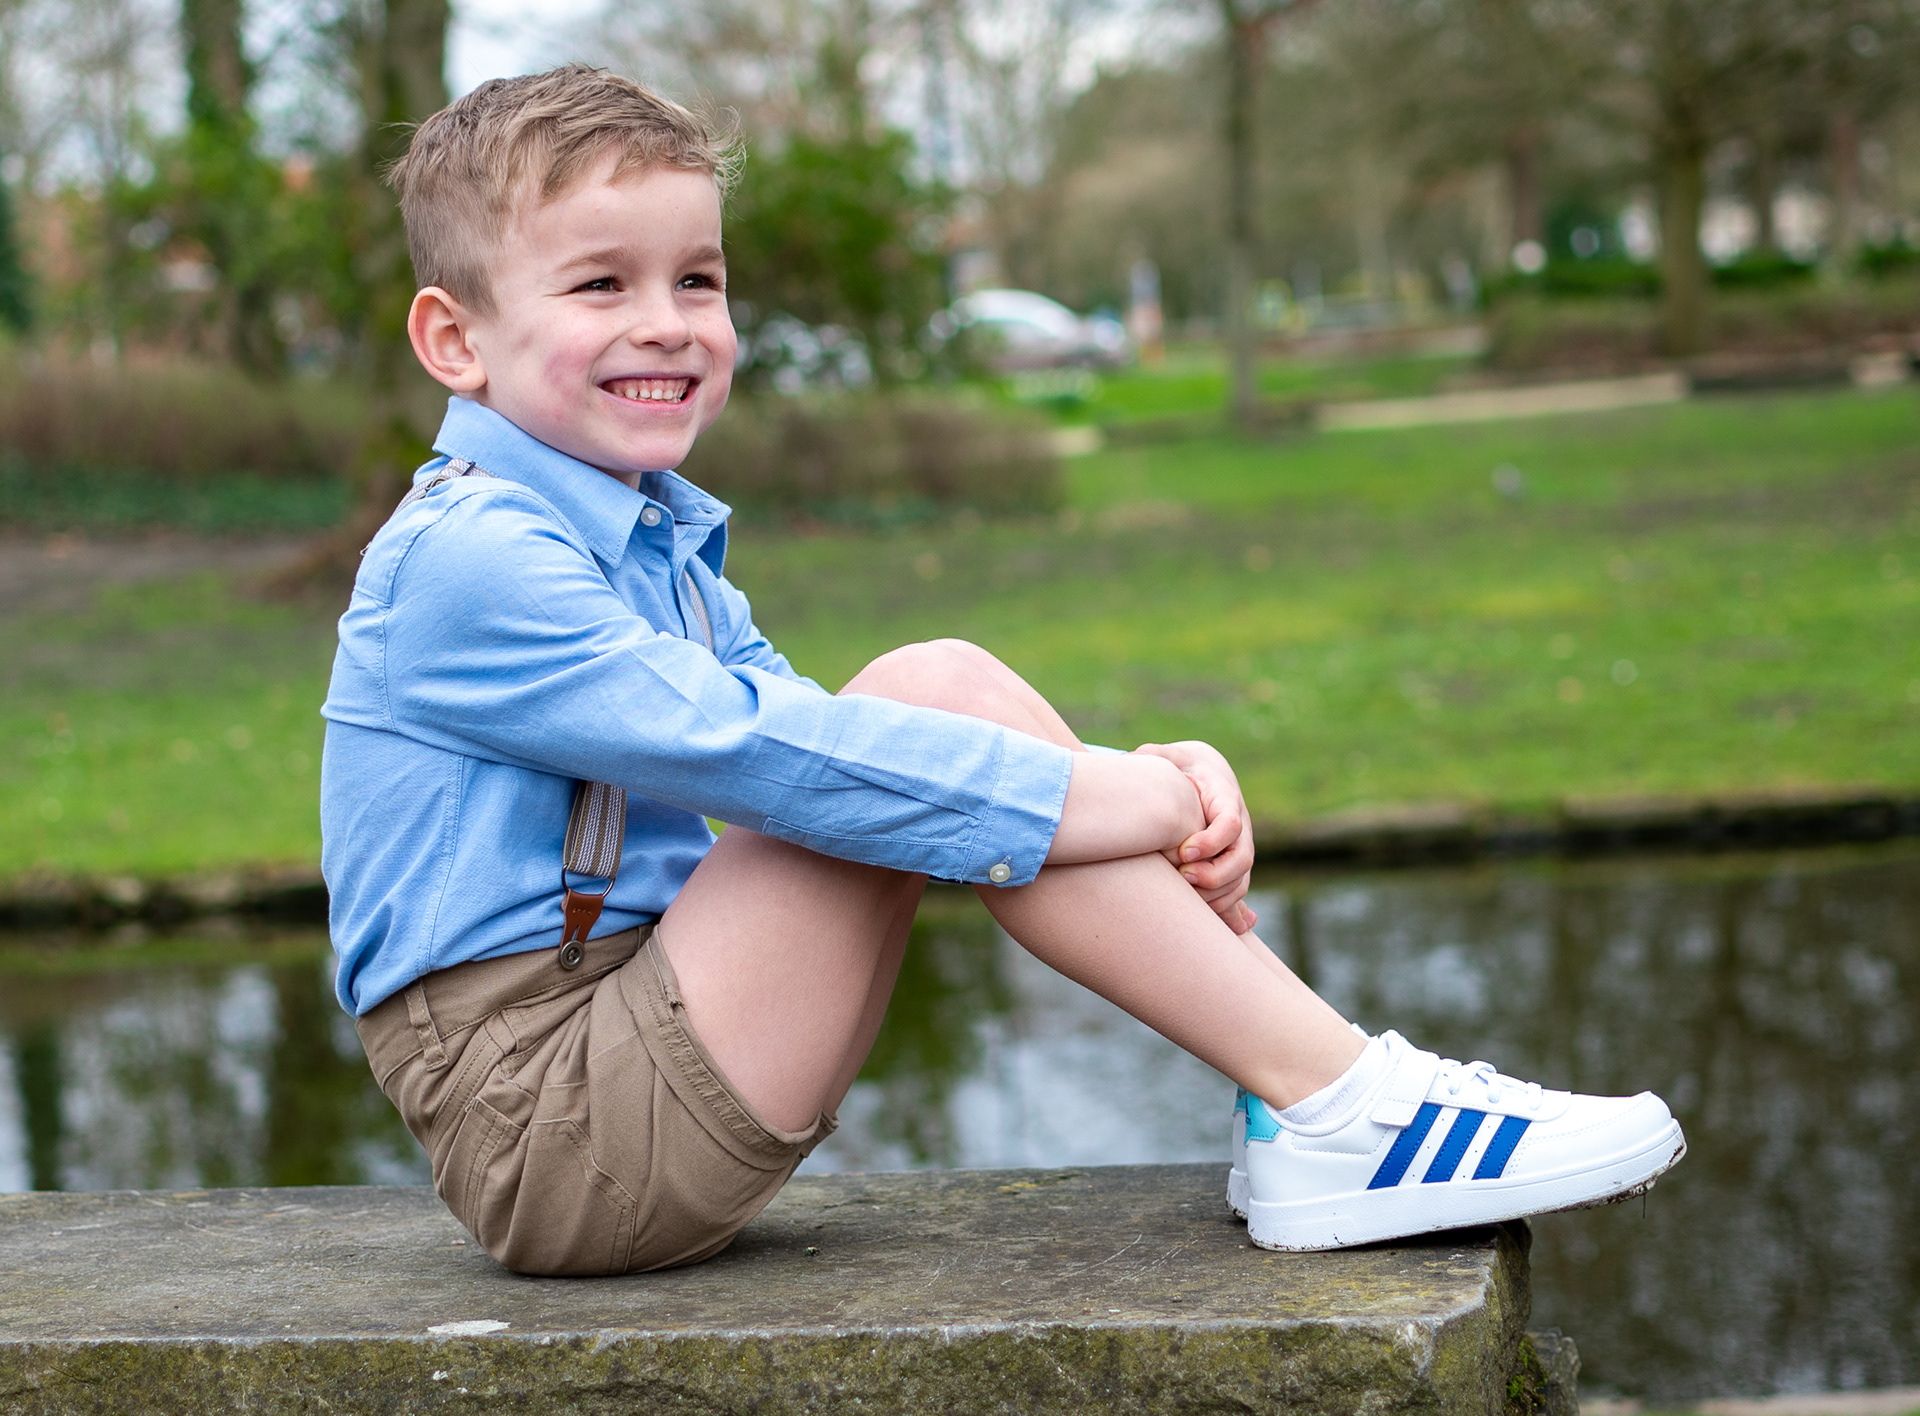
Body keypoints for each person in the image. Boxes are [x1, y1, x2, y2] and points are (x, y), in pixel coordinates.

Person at [321, 64, 1685, 1278]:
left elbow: (823, 748)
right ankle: (1335, 1100)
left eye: (699, 280)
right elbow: (773, 759)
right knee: (926, 699)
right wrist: (1132, 795)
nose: (669, 322)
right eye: (601, 284)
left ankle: (1319, 1096)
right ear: (455, 341)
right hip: (554, 1125)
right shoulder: (469, 560)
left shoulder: (643, 538)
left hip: (644, 1055)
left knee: (938, 690)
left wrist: (1122, 783)